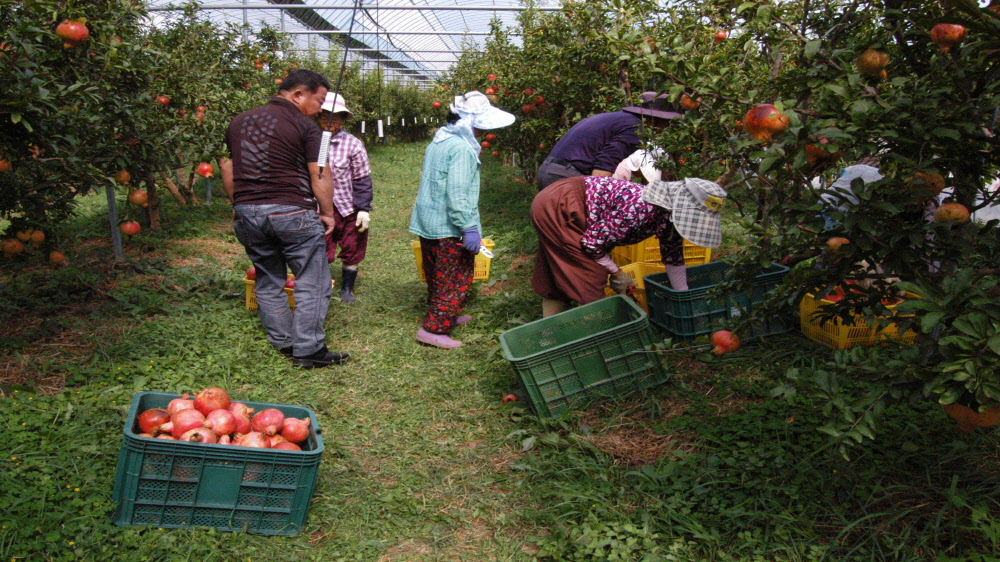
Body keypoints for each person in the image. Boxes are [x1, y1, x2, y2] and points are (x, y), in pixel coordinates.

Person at [221, 69, 349, 368]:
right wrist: (328, 213)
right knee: (313, 280)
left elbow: (228, 169)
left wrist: (239, 203)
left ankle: (284, 342)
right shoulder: (308, 129)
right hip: (291, 211)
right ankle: (309, 349)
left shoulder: (238, 122)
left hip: (247, 212)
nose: (320, 109)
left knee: (267, 278)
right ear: (298, 95)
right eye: (318, 100)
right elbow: (320, 173)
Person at [531, 176, 727, 317]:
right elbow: (591, 244)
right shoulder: (640, 211)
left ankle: (548, 334)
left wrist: (685, 300)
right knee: (590, 277)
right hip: (562, 206)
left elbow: (673, 258)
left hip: (568, 205)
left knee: (555, 272)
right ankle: (596, 340)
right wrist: (616, 272)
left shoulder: (669, 218)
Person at [409, 91, 515, 349]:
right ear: (470, 122)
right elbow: (457, 193)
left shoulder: (441, 140)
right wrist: (467, 226)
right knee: (455, 277)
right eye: (480, 125)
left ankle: (445, 316)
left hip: (431, 222)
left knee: (438, 275)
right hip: (449, 227)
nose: (482, 131)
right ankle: (433, 329)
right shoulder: (461, 149)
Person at [535, 92, 682, 191]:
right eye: (665, 122)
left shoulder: (618, 119)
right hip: (566, 178)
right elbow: (602, 169)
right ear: (656, 119)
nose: (665, 127)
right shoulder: (635, 128)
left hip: (549, 171)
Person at [316, 92, 373, 303]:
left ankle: (347, 290)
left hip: (347, 207)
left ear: (342, 120)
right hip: (319, 207)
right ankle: (321, 287)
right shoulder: (309, 142)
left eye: (335, 117)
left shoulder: (352, 144)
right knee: (321, 247)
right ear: (317, 117)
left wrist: (363, 208)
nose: (329, 122)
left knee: (352, 246)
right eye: (324, 116)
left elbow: (362, 178)